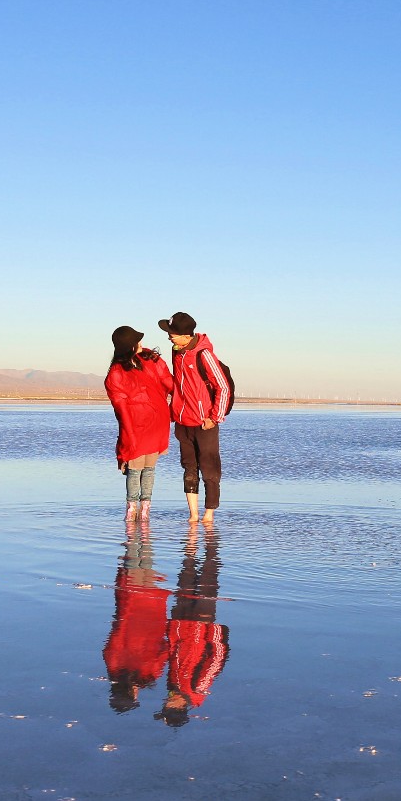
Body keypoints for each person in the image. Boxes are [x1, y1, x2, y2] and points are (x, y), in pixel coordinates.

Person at [159, 311, 233, 527]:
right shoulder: (177, 352)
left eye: (172, 333)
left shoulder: (204, 355)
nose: (169, 337)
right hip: (183, 421)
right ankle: (193, 515)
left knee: (209, 469)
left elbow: (223, 387)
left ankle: (209, 514)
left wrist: (215, 417)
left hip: (204, 423)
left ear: (184, 335)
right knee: (189, 468)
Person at [103, 325, 173, 525]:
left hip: (137, 426)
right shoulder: (151, 360)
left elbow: (121, 409)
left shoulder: (115, 373)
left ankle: (132, 510)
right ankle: (145, 511)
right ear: (131, 346)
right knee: (148, 469)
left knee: (135, 469)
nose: (141, 343)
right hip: (156, 422)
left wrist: (127, 438)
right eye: (137, 341)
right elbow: (170, 384)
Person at [159, 531, 229, 727]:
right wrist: (215, 631)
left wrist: (169, 632)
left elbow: (173, 656)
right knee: (208, 580)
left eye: (165, 706)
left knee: (185, 578)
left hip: (178, 626)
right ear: (180, 707)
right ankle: (211, 545)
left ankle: (190, 546)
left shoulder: (172, 687)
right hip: (201, 627)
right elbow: (216, 660)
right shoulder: (198, 689)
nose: (166, 703)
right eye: (168, 707)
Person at [103, 531, 169, 713]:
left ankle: (142, 531)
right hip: (131, 611)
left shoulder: (149, 675)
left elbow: (165, 652)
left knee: (146, 564)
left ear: (133, 694)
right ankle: (136, 528)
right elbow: (114, 638)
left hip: (151, 617)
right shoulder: (113, 665)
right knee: (134, 562)